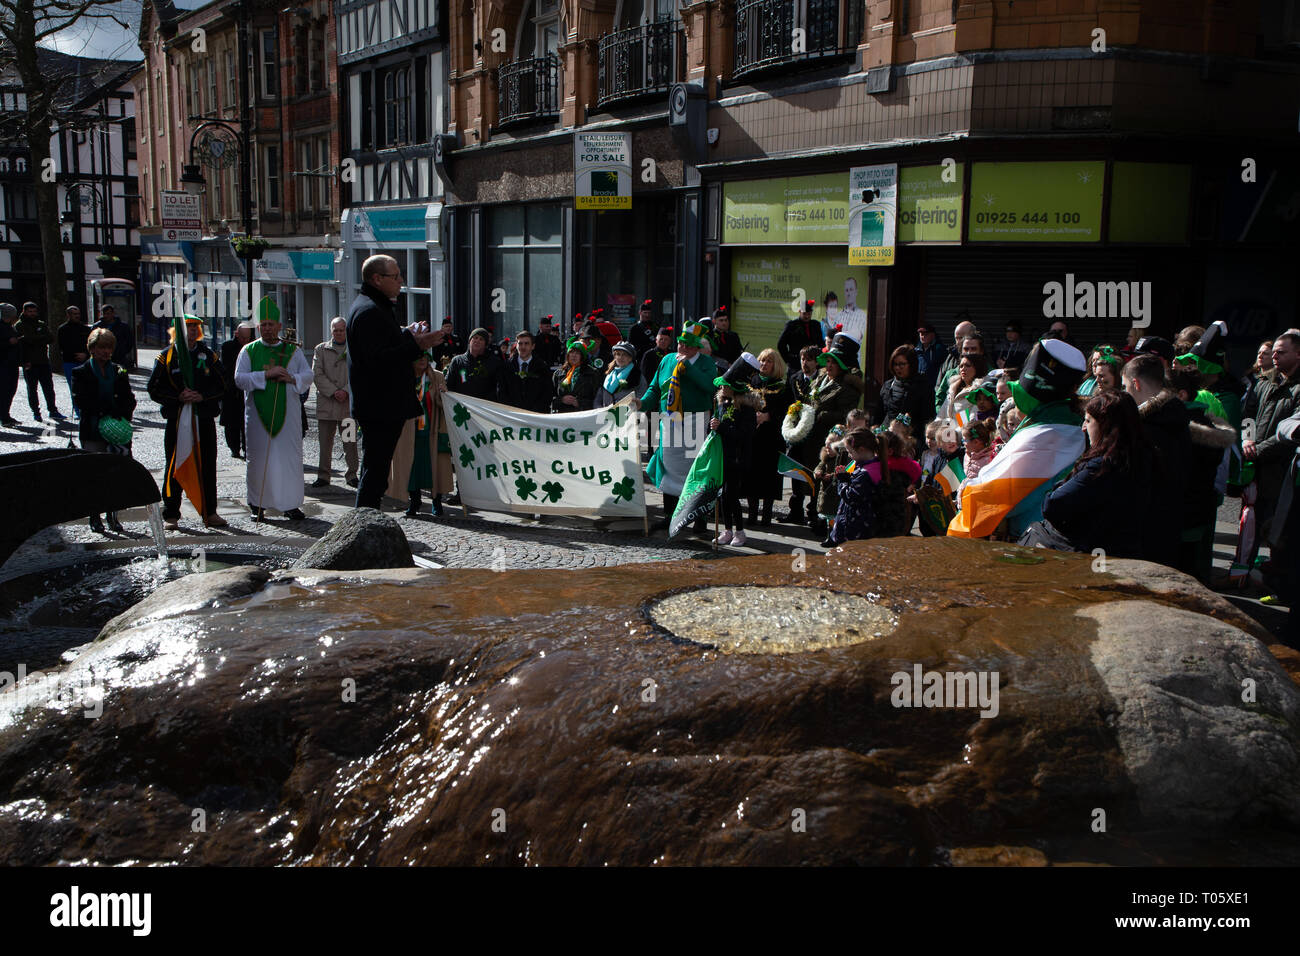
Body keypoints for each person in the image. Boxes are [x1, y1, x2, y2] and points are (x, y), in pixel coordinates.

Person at [948, 338, 1087, 540]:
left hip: (1028, 538)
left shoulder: (1043, 433)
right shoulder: (1073, 423)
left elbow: (993, 492)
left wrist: (965, 490)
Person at [345, 254, 444, 510]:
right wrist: (416, 343)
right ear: (377, 279)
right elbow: (378, 360)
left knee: (376, 472)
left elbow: (383, 344)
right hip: (379, 405)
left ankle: (366, 523)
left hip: (382, 404)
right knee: (375, 472)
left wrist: (405, 334)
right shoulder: (369, 310)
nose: (401, 281)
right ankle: (363, 527)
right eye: (396, 276)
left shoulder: (376, 306)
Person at [1034, 389, 1152, 558]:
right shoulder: (1144, 457)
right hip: (1128, 550)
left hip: (1095, 554)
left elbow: (1053, 505)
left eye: (1088, 420)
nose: (1083, 428)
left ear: (1106, 425)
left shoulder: (1101, 467)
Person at [235, 298, 315, 520]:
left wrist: (292, 378)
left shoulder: (292, 351)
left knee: (288, 458)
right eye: (264, 325)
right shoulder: (248, 351)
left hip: (288, 414)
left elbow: (308, 376)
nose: (268, 328)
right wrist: (266, 375)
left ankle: (290, 504)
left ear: (279, 326)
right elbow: (239, 379)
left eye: (272, 324)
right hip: (258, 416)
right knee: (259, 460)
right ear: (259, 327)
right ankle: (258, 504)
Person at [148, 315, 227, 530]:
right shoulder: (165, 357)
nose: (192, 331)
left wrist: (202, 395)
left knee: (208, 466)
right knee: (174, 465)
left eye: (195, 327)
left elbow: (222, 384)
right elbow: (154, 388)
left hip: (203, 418)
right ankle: (171, 513)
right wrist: (178, 397)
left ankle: (210, 512)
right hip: (177, 420)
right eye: (188, 327)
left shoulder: (209, 355)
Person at [638, 321, 717, 530]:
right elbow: (655, 389)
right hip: (670, 421)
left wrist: (688, 368)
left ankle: (698, 517)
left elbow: (710, 386)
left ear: (697, 348)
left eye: (688, 346)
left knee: (695, 469)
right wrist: (642, 402)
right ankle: (670, 514)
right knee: (670, 466)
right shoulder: (666, 360)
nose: (682, 349)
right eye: (681, 344)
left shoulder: (706, 363)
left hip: (696, 422)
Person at [1122, 353, 1191, 566]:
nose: (1125, 392)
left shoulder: (1143, 425)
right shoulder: (1177, 415)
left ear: (1135, 383)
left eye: (1125, 386)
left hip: (1143, 524)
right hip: (1171, 518)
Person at [71, 328, 136, 533]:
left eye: (109, 347)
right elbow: (81, 400)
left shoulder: (119, 370)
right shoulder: (80, 372)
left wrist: (121, 414)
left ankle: (113, 515)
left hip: (116, 428)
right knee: (94, 474)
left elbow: (129, 398)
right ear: (92, 349)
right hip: (93, 429)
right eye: (101, 347)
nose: (105, 352)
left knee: (115, 474)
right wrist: (105, 411)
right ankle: (94, 516)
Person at [1244, 330, 1300, 553]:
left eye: (1281, 352)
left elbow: (1292, 434)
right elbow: (1248, 413)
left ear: (1298, 354)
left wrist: (1257, 450)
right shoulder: (1263, 380)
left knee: (1277, 529)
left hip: (1282, 472)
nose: (1274, 356)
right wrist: (1247, 440)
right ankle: (1242, 573)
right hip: (1254, 467)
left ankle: (1270, 578)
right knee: (1249, 524)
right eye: (1274, 352)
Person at [388, 352, 453, 518]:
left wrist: (444, 394)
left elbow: (442, 404)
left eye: (425, 357)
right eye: (419, 357)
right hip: (410, 431)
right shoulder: (404, 376)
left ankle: (437, 502)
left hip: (432, 430)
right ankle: (414, 500)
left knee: (434, 467)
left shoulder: (437, 376)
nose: (423, 360)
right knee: (412, 468)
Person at [710, 357, 759, 547]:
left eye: (725, 385)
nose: (722, 388)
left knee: (732, 495)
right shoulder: (723, 405)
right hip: (723, 456)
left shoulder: (746, 409)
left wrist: (721, 428)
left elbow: (744, 435)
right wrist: (713, 427)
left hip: (738, 458)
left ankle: (739, 530)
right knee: (723, 495)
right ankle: (727, 529)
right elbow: (717, 427)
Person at [746, 348, 791, 527]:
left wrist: (768, 416)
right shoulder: (752, 382)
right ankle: (751, 513)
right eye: (762, 361)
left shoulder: (781, 386)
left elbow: (787, 411)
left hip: (772, 437)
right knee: (751, 475)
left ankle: (766, 514)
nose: (764, 364)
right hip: (753, 435)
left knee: (769, 476)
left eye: (768, 361)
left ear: (776, 365)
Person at [782, 344, 827, 523]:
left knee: (813, 471)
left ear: (816, 362)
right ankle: (795, 510)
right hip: (797, 431)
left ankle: (813, 510)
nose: (805, 363)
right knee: (796, 469)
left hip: (815, 434)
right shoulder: (795, 378)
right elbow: (790, 401)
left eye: (809, 360)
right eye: (802, 359)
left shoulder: (822, 379)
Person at [312, 317, 358, 489]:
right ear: (331, 331)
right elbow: (317, 374)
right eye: (335, 330)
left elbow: (358, 372)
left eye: (341, 330)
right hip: (327, 404)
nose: (339, 333)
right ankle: (323, 475)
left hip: (347, 406)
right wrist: (333, 391)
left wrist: (345, 390)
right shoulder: (321, 349)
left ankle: (352, 474)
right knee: (325, 443)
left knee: (350, 442)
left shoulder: (355, 348)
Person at [827, 428, 882, 546]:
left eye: (850, 452)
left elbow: (851, 496)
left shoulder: (865, 472)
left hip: (856, 525)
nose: (849, 455)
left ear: (861, 450)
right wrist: (847, 477)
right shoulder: (872, 465)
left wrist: (842, 480)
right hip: (861, 523)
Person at [15, 301, 65, 421]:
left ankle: (52, 409)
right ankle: (36, 412)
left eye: (34, 311)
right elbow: (21, 344)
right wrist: (23, 360)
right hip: (29, 362)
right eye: (29, 311)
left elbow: (50, 338)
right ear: (24, 312)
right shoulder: (19, 326)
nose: (32, 314)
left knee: (49, 387)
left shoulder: (41, 324)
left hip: (43, 361)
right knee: (32, 389)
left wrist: (33, 339)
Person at [881, 344, 933, 432]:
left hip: (911, 438)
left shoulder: (923, 386)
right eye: (895, 364)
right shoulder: (888, 385)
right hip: (888, 435)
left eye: (902, 364)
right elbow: (881, 413)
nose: (898, 368)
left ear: (911, 364)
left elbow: (927, 418)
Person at [221, 320, 253, 458]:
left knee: (247, 422)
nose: (245, 341)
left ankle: (247, 448)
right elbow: (227, 369)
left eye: (247, 338)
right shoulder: (227, 346)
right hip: (232, 391)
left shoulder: (253, 346)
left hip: (248, 388)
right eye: (242, 338)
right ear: (236, 334)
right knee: (232, 423)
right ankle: (234, 448)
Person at [446, 327, 504, 400]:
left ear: (485, 344)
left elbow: (499, 389)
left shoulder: (494, 362)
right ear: (470, 341)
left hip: (484, 408)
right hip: (462, 407)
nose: (477, 341)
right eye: (475, 338)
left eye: (481, 339)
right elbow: (448, 385)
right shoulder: (457, 361)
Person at [936, 332, 986, 416]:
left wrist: (956, 426)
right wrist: (941, 424)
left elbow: (967, 418)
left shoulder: (989, 378)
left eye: (973, 349)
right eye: (966, 349)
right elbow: (940, 398)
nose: (969, 353)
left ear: (981, 351)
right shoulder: (952, 378)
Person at [932, 318, 978, 400]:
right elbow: (939, 388)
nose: (958, 342)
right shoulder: (950, 357)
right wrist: (942, 409)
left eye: (961, 338)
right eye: (956, 338)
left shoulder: (984, 363)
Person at [57, 306, 90, 418]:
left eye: (78, 313)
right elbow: (62, 346)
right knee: (74, 387)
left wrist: (85, 354)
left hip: (84, 361)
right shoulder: (62, 329)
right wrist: (75, 355)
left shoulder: (85, 329)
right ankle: (77, 411)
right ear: (68, 315)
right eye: (74, 314)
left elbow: (90, 344)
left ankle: (86, 408)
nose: (77, 316)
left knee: (86, 386)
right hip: (69, 362)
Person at [552, 337, 600, 412]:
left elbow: (598, 399)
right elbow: (550, 398)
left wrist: (579, 403)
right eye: (571, 352)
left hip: (582, 416)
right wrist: (561, 400)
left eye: (577, 353)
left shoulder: (592, 374)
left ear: (583, 356)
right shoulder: (558, 374)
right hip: (562, 417)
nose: (574, 355)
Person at [939, 350, 989, 420]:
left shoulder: (979, 391)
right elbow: (940, 416)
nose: (963, 368)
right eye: (961, 366)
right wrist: (935, 428)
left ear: (977, 368)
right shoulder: (953, 389)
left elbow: (968, 421)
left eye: (967, 366)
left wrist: (951, 430)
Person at [777, 298, 825, 370]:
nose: (807, 316)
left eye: (809, 314)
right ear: (799, 312)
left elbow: (821, 343)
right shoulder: (791, 325)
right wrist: (789, 361)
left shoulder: (816, 324)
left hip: (814, 364)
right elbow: (781, 344)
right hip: (796, 365)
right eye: (804, 314)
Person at [595, 341, 642, 407]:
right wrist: (599, 410)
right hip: (605, 414)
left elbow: (641, 397)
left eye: (624, 355)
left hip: (626, 414)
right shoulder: (608, 374)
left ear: (630, 358)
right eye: (618, 354)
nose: (620, 357)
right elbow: (598, 398)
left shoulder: (637, 376)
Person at [91, 304, 134, 371]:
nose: (106, 316)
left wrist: (122, 351)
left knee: (121, 375)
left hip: (119, 358)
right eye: (104, 314)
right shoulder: (97, 326)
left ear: (113, 313)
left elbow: (130, 341)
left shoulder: (123, 327)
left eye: (108, 313)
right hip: (102, 358)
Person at [0, 303, 22, 426]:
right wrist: (8, 342)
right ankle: (3, 417)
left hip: (12, 363)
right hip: (3, 363)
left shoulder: (11, 327)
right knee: (4, 390)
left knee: (11, 390)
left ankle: (6, 414)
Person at [914, 322, 945, 393]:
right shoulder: (916, 351)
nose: (923, 336)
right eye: (921, 334)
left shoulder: (940, 350)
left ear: (933, 335)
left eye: (926, 334)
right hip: (918, 386)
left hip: (933, 388)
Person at [836, 277, 867, 345]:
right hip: (839, 354)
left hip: (853, 355)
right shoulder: (838, 316)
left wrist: (840, 333)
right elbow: (834, 337)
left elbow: (857, 336)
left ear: (856, 292)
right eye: (846, 290)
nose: (848, 293)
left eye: (851, 289)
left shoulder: (862, 315)